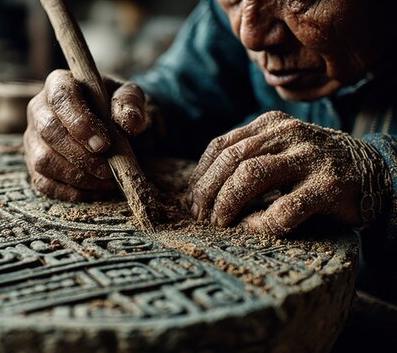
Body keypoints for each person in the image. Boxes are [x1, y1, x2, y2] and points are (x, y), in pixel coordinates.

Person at [24, 0, 397, 300]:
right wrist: (127, 117)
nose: (250, 35)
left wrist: (381, 173)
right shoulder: (236, 18)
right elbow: (179, 91)